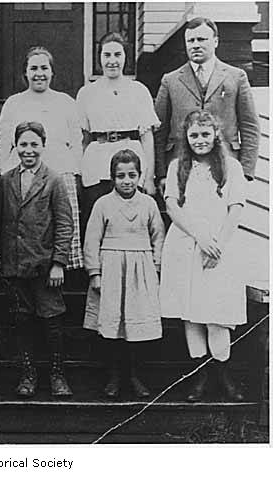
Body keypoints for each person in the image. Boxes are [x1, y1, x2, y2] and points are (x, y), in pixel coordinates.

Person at [160, 110, 247, 402]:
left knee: (217, 314)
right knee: (192, 313)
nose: (199, 140)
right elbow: (172, 206)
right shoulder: (177, 167)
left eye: (205, 134)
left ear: (215, 135)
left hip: (221, 247)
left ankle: (223, 375)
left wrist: (217, 245)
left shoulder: (230, 167)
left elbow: (236, 208)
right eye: (194, 135)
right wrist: (200, 238)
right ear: (186, 136)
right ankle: (200, 376)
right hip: (186, 244)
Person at [0, 121, 74, 398]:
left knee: (51, 321)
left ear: (43, 146)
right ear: (15, 146)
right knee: (22, 320)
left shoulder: (54, 179)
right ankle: (28, 374)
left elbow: (65, 224)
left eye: (34, 144)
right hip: (15, 264)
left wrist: (58, 263)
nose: (28, 150)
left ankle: (57, 374)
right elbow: (1, 221)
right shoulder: (6, 180)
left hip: (44, 266)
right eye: (23, 144)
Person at [83, 149, 165, 399]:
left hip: (140, 272)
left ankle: (134, 374)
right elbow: (91, 240)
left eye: (132, 175)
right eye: (120, 176)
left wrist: (156, 267)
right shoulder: (103, 204)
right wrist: (95, 273)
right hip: (111, 270)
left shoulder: (149, 204)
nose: (126, 181)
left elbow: (158, 237)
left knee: (135, 327)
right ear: (112, 177)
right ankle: (114, 375)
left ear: (140, 176)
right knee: (112, 325)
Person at [0, 46, 83, 270]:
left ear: (52, 72)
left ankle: (61, 271)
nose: (39, 73)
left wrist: (75, 172)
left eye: (44, 68)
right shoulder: (14, 103)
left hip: (60, 173)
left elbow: (76, 142)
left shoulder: (66, 102)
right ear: (25, 72)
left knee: (62, 225)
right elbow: (5, 144)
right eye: (33, 68)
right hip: (24, 176)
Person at [154, 16, 259, 192]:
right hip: (181, 167)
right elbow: (159, 131)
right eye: (190, 40)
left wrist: (245, 172)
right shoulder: (170, 81)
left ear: (215, 41)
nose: (195, 45)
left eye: (201, 39)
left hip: (225, 166)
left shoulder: (236, 77)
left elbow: (250, 127)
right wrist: (162, 173)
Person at [76, 32, 160, 235]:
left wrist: (149, 178)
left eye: (117, 55)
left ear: (125, 57)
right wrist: (80, 173)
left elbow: (147, 137)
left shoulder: (138, 91)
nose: (112, 61)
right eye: (107, 55)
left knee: (129, 224)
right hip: (96, 165)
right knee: (97, 222)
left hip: (130, 161)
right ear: (100, 58)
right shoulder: (87, 93)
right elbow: (83, 139)